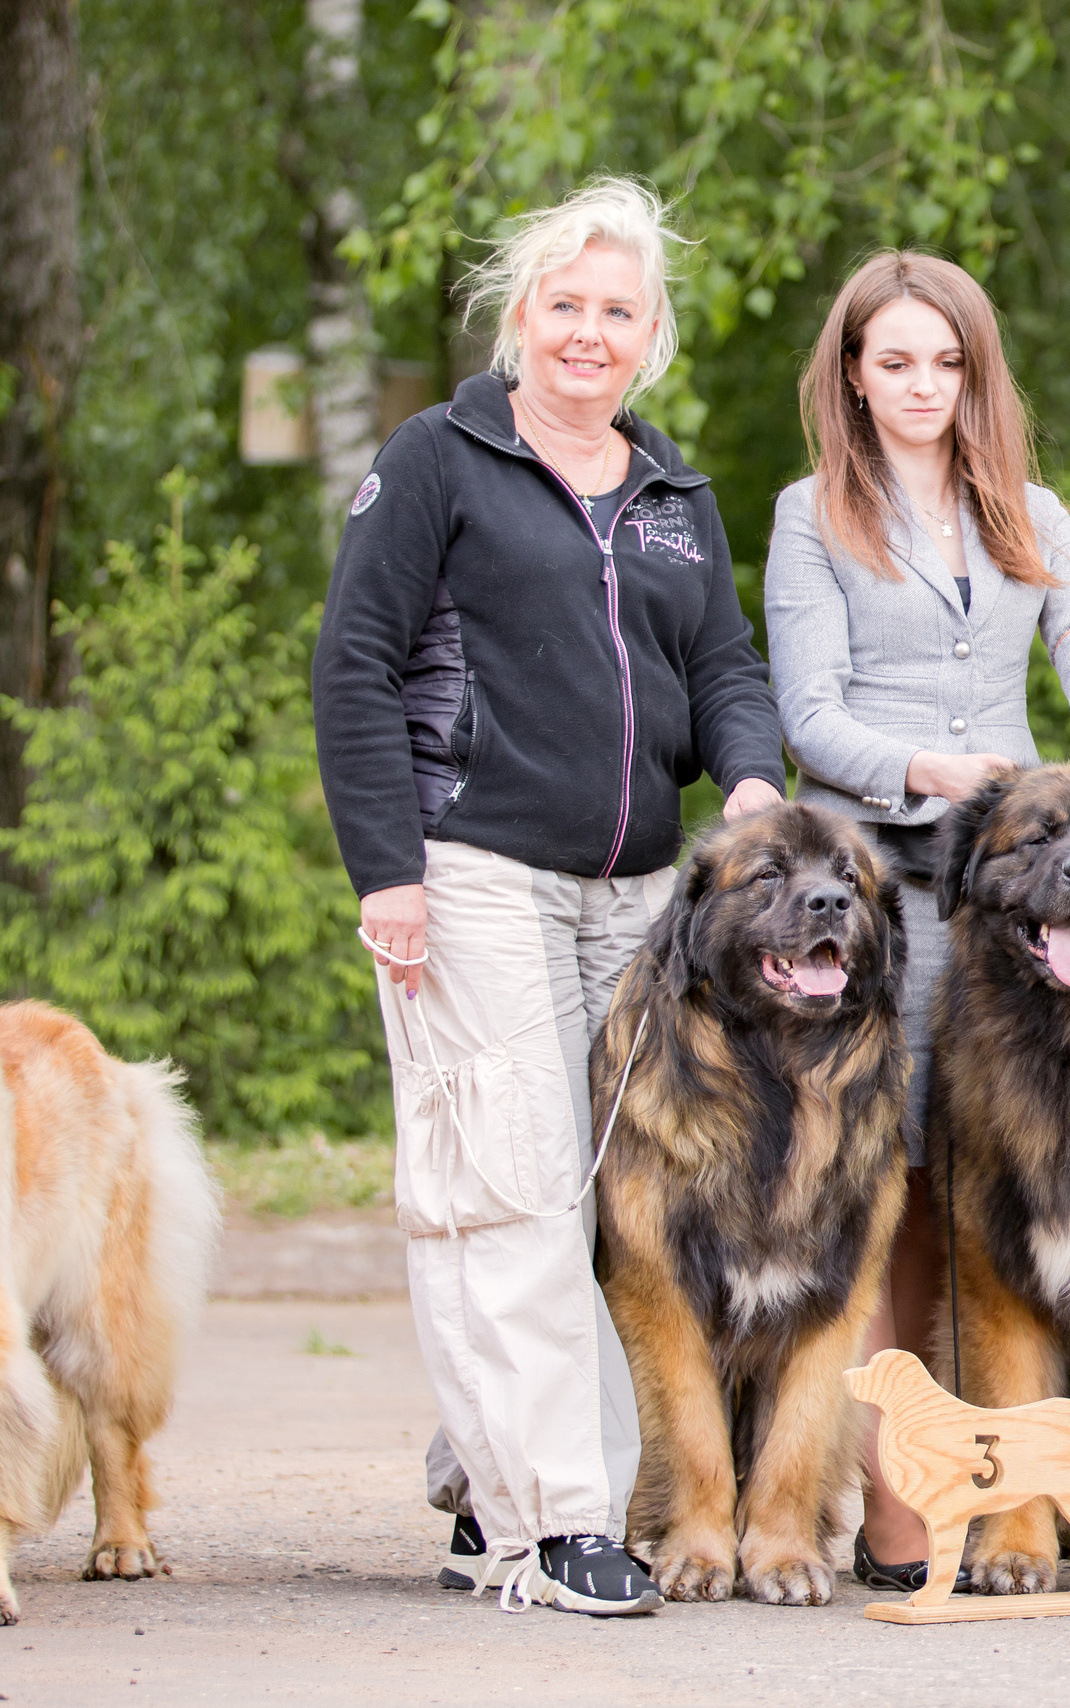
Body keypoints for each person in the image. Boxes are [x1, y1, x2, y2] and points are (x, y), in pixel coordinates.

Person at [313, 177, 787, 1617]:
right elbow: (355, 665)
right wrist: (388, 872)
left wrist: (751, 782)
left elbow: (723, 667)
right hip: (470, 872)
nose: (589, 331)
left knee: (604, 1209)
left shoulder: (673, 496)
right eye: (565, 304)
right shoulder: (437, 461)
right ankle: (558, 1526)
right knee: (507, 1191)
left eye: (617, 312)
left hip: (636, 894)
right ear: (521, 316)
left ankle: (487, 1482)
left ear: (651, 338)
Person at [762, 250, 1070, 1583]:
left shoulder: (1030, 510)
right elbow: (809, 713)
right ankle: (894, 1510)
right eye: (895, 362)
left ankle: (1009, 1487)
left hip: (1008, 887)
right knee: (881, 1185)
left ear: (976, 374)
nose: (923, 385)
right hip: (870, 888)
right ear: (852, 376)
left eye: (946, 362)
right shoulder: (810, 515)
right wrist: (930, 769)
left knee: (976, 1185)